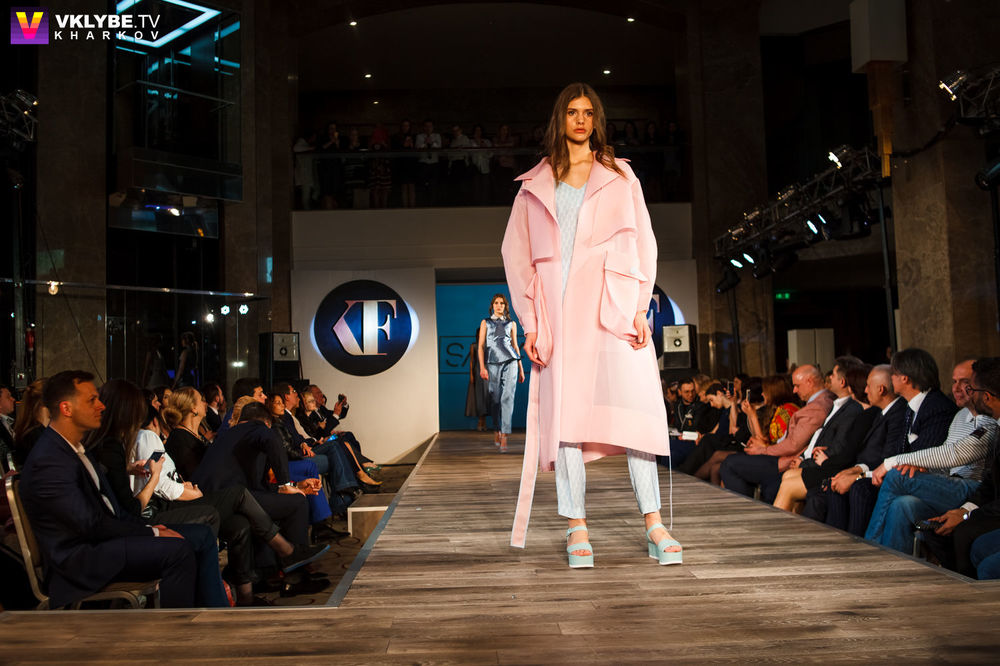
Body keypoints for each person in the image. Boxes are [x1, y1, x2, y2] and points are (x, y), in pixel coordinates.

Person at [501, 82, 678, 565]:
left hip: (612, 309)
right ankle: (576, 525)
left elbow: (644, 243)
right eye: (572, 112)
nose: (580, 120)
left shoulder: (621, 175)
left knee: (635, 413)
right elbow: (517, 258)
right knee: (566, 423)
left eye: (588, 112)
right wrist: (531, 324)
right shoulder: (534, 185)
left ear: (597, 120)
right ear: (560, 119)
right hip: (559, 313)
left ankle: (654, 523)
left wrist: (639, 307)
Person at [18, 371, 197, 608]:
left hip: (95, 546)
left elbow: (105, 513)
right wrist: (150, 533)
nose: (101, 406)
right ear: (66, 408)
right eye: (92, 400)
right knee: (178, 551)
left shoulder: (72, 449)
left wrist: (147, 529)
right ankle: (174, 629)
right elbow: (90, 524)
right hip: (79, 561)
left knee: (187, 540)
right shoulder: (50, 460)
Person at [477, 294, 525, 453]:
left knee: (507, 396)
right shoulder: (485, 322)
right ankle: (497, 428)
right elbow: (481, 346)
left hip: (511, 361)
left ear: (505, 306)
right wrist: (482, 367)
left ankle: (504, 434)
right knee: (495, 398)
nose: (499, 305)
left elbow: (515, 346)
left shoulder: (511, 323)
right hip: (492, 362)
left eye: (502, 303)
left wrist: (521, 367)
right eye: (497, 303)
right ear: (492, 306)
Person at [465, 326, 490, 432]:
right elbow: (472, 361)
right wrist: (471, 375)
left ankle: (484, 422)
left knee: (487, 396)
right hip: (478, 372)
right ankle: (480, 421)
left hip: (488, 372)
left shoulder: (490, 345)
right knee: (479, 396)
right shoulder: (474, 346)